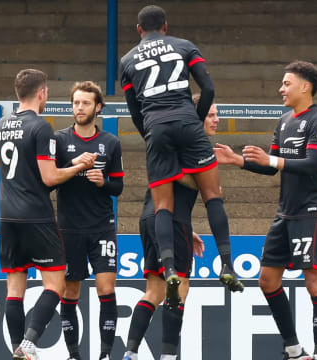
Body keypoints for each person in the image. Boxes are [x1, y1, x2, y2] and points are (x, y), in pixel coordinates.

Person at [120, 5, 243, 309]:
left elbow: (134, 110)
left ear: (139, 30)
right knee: (213, 196)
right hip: (189, 124)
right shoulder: (184, 46)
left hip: (156, 129)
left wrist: (150, 134)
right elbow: (209, 88)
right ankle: (227, 265)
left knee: (163, 204)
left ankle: (171, 269)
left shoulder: (127, 60)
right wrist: (194, 120)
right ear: (165, 26)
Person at [214, 61, 317, 360]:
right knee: (267, 279)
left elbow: (312, 164)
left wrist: (272, 161)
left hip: (311, 211)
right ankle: (294, 350)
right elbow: (272, 167)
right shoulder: (283, 121)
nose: (281, 88)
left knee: (314, 281)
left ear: (304, 87)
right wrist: (238, 161)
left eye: (286, 83)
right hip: (285, 213)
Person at [0, 69, 96, 360]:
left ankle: (16, 350)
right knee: (56, 284)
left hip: (7, 217)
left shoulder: (1, 124)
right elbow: (49, 178)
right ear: (42, 93)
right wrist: (78, 167)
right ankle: (29, 343)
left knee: (14, 289)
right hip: (35, 215)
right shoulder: (41, 127)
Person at [122, 100, 218, 360]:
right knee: (180, 286)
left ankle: (130, 352)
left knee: (154, 291)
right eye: (210, 115)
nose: (215, 120)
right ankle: (167, 355)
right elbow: (183, 178)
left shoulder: (171, 141)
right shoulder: (195, 145)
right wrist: (206, 172)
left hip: (150, 218)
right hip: (173, 221)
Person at [54, 81, 124, 360]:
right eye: (76, 103)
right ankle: (73, 354)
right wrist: (73, 167)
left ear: (98, 107)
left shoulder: (110, 143)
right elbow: (48, 181)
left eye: (85, 103)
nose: (79, 108)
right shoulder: (59, 140)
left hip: (101, 226)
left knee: (106, 289)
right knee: (70, 292)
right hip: (69, 227)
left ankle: (105, 354)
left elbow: (118, 187)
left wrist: (102, 182)